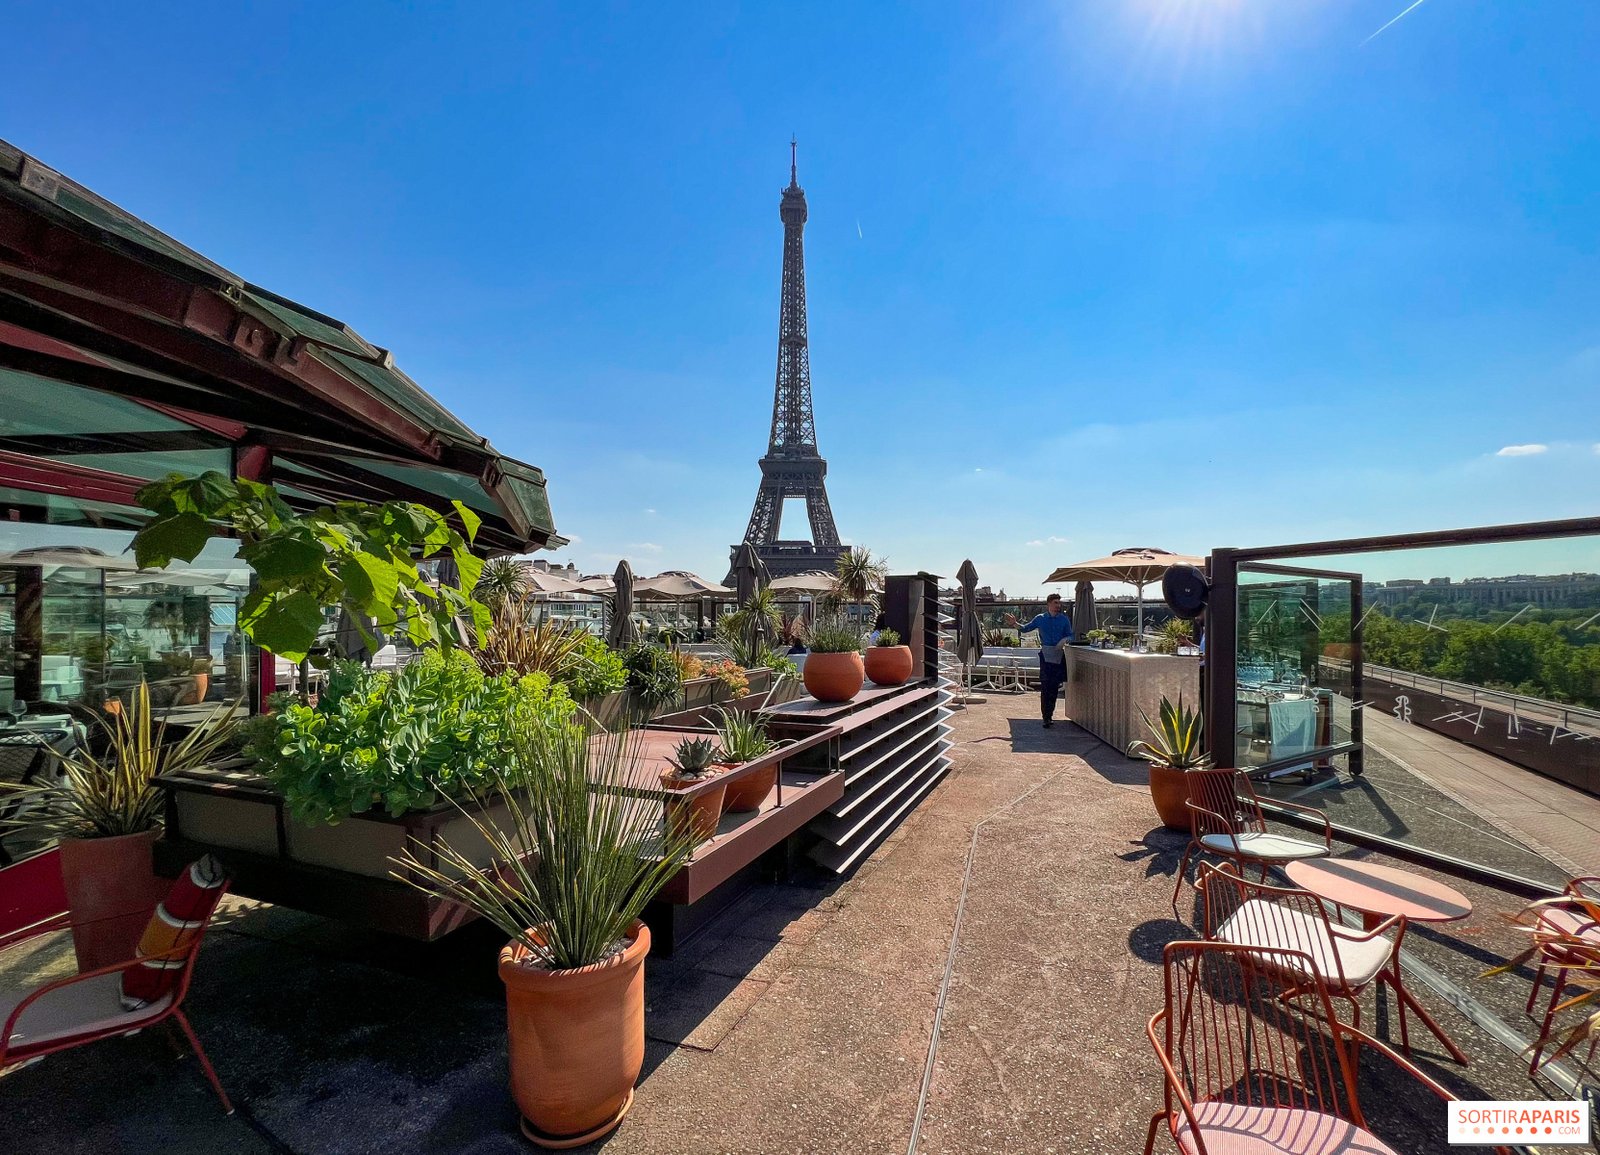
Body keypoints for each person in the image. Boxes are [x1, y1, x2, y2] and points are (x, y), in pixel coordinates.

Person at [1008, 594, 1075, 727]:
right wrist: (1014, 623)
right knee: (1045, 686)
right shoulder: (1040, 618)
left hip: (1058, 654)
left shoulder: (1064, 619)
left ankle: (1050, 714)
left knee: (1054, 687)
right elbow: (1025, 628)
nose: (1058, 605)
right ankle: (1046, 717)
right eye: (1055, 603)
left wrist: (1065, 640)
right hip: (1045, 654)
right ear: (1049, 604)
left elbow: (1071, 635)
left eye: (1059, 603)